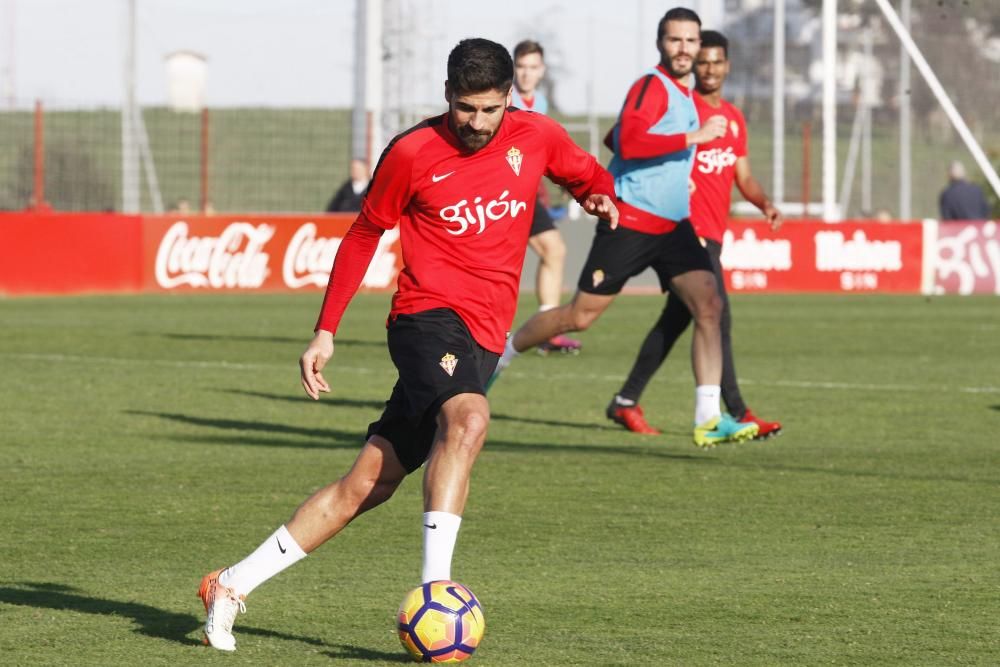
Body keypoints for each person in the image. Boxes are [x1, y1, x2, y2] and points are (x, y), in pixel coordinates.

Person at [197, 38, 618, 653]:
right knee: (470, 418)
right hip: (425, 319)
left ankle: (231, 584)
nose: (475, 124)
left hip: (483, 333)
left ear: (509, 99)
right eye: (464, 109)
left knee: (369, 482)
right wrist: (325, 329)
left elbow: (585, 173)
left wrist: (596, 195)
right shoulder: (414, 151)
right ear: (447, 94)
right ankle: (436, 595)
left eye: (488, 110)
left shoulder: (538, 135)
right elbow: (365, 232)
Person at [490, 8, 758, 447]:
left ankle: (709, 418)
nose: (685, 49)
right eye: (676, 40)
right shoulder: (650, 86)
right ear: (661, 44)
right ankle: (504, 352)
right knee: (580, 316)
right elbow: (628, 141)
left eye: (691, 41)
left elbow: (618, 138)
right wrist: (690, 139)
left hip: (673, 225)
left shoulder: (681, 93)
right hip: (630, 219)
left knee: (709, 305)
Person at [606, 30, 783, 439]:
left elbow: (744, 176)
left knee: (678, 320)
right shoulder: (681, 110)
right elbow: (624, 140)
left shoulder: (734, 118)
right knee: (717, 315)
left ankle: (625, 401)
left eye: (716, 61)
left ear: (727, 66)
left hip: (714, 233)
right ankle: (738, 410)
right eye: (703, 61)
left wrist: (765, 204)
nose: (709, 69)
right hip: (682, 230)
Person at [511, 39, 582, 354]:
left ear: (542, 71)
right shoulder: (503, 97)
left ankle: (545, 328)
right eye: (521, 67)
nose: (526, 74)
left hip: (524, 195)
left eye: (532, 67)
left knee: (554, 250)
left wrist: (564, 176)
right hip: (499, 195)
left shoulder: (538, 103)